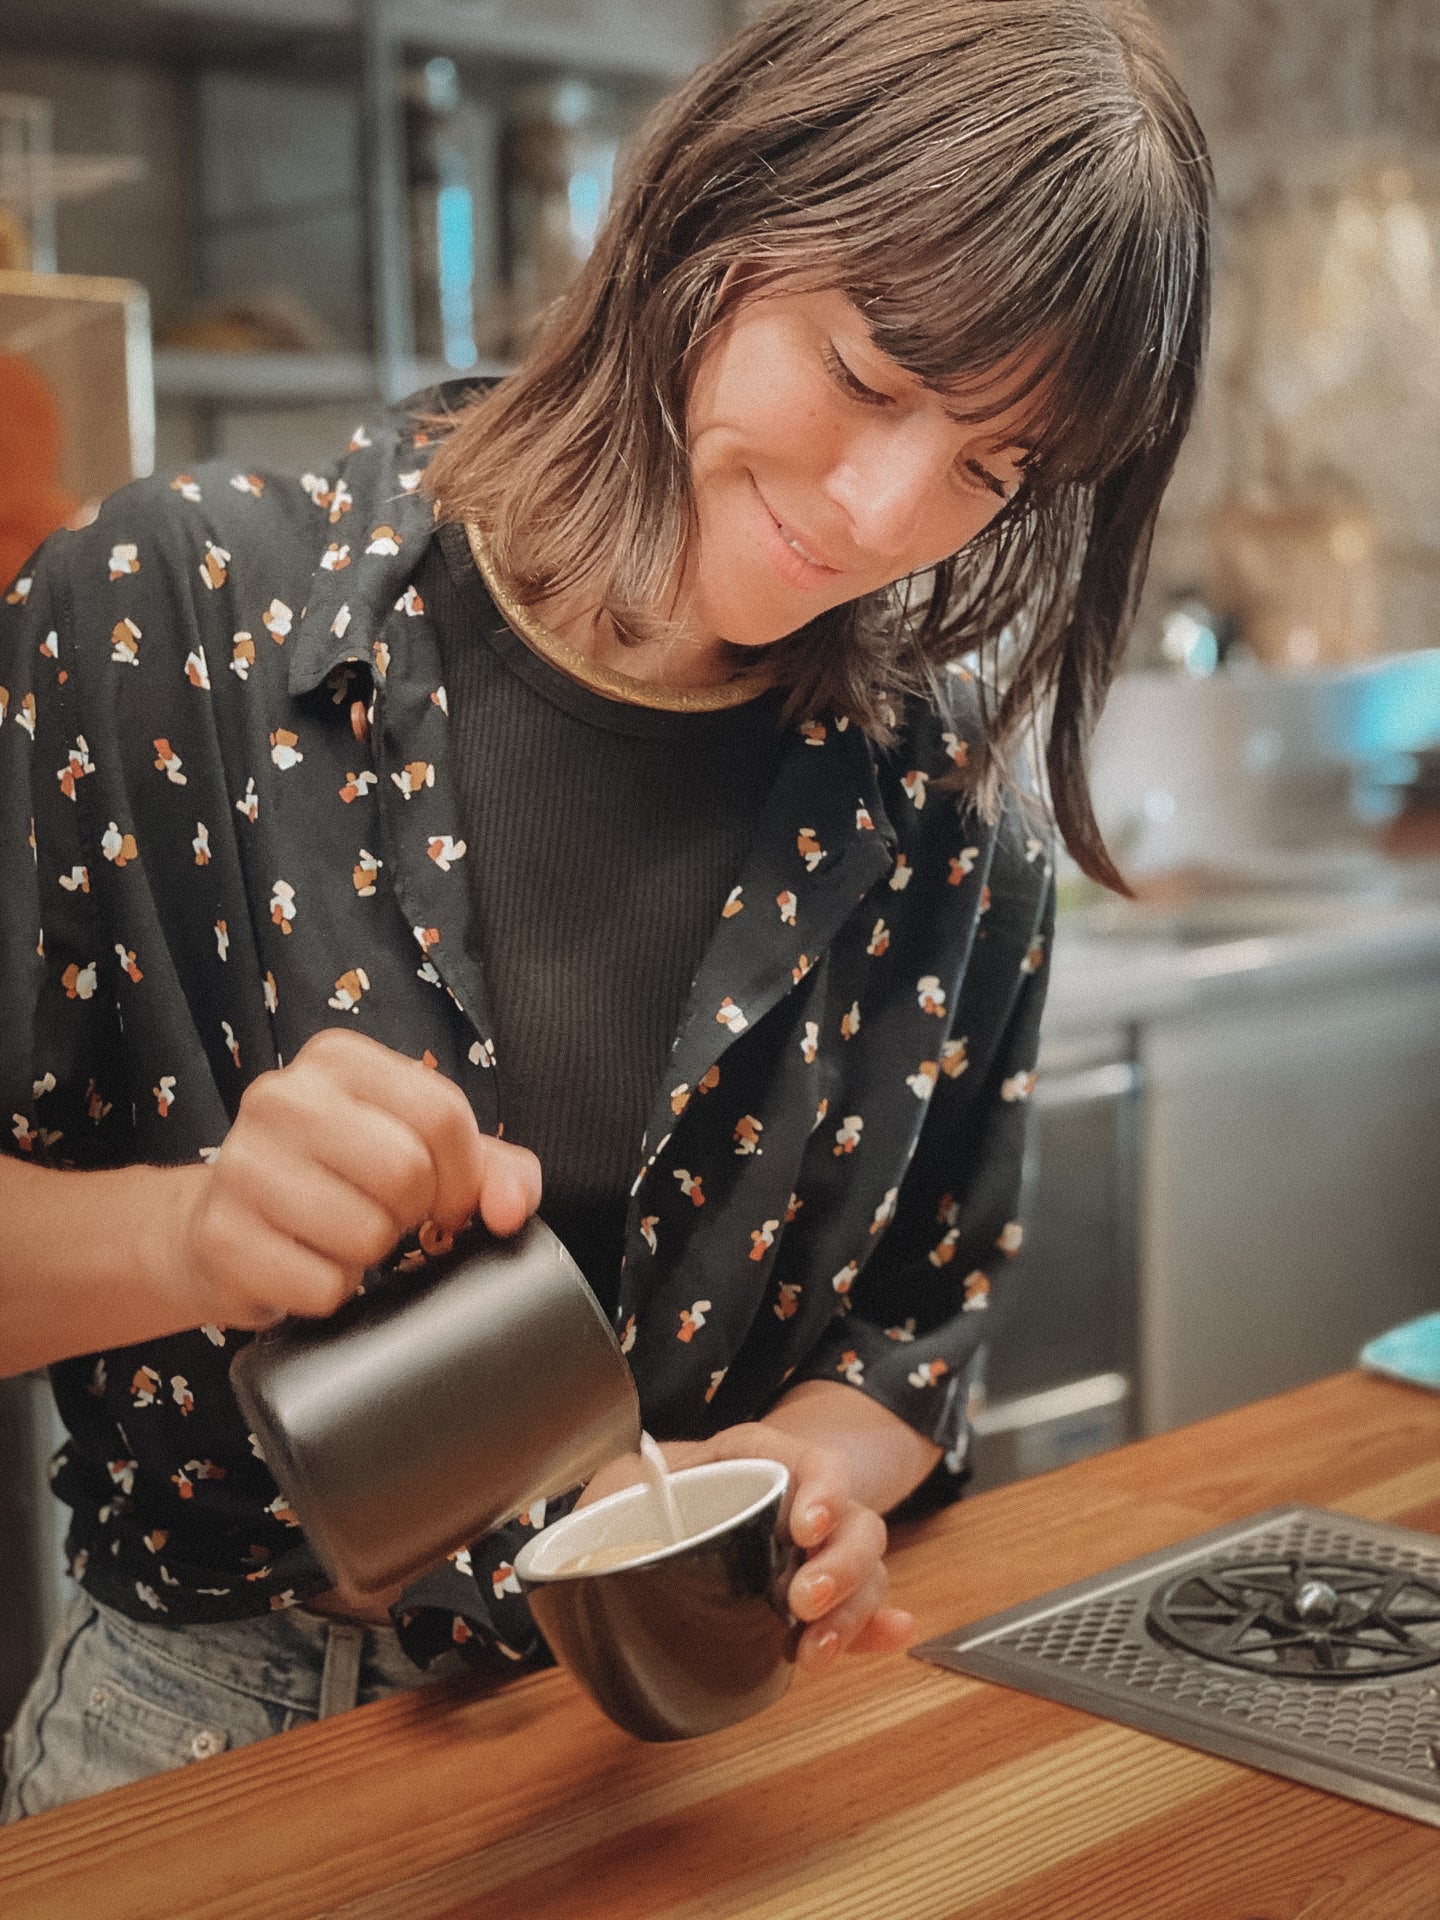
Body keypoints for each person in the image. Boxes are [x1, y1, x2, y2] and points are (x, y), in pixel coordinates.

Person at [0, 0, 1210, 1820]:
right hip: (200, 1747)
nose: (887, 510)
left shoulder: (948, 815)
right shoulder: (163, 620)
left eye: (993, 468)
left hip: (688, 1758)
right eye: (867, 376)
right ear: (710, 222)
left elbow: (915, 1339)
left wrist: (804, 1485)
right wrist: (188, 1239)